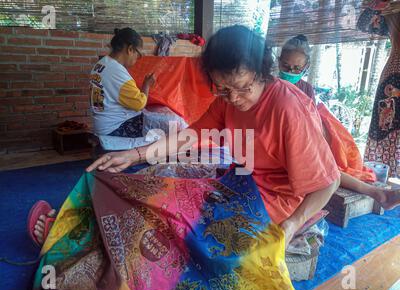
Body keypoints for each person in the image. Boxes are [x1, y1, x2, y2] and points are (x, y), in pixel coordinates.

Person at [86, 25, 341, 246]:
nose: (233, 98)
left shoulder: (288, 109)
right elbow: (191, 135)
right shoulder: (228, 101)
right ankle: (87, 226)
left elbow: (329, 182)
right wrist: (134, 155)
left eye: (242, 88)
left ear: (262, 73)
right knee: (156, 180)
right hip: (241, 181)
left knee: (196, 229)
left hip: (276, 200)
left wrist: (293, 224)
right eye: (222, 89)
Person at [278, 34, 400, 211]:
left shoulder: (306, 89)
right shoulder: (270, 86)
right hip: (279, 144)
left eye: (297, 68)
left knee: (328, 168)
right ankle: (378, 194)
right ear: (278, 61)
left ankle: (378, 194)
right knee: (324, 171)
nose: (290, 71)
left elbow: (312, 123)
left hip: (300, 142)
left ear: (306, 67)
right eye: (286, 66)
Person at [357, 0, 400, 177]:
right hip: (394, 76)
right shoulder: (393, 9)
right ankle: (384, 185)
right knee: (386, 129)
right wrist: (379, 4)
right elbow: (364, 24)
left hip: (393, 73)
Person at [90, 27, 156, 139]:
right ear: (130, 49)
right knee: (159, 129)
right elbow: (139, 104)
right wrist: (146, 85)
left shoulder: (101, 64)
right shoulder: (118, 73)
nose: (137, 59)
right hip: (114, 128)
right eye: (138, 55)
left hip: (101, 123)